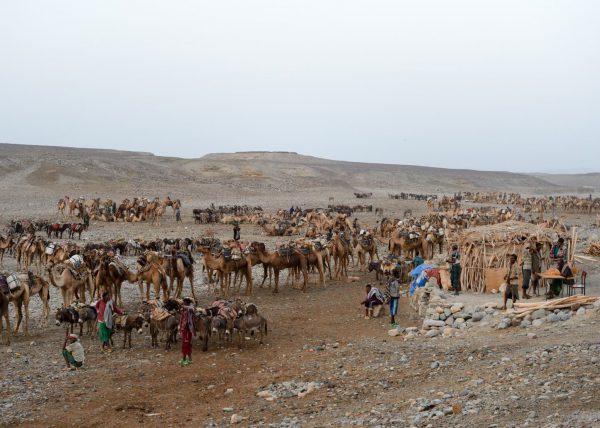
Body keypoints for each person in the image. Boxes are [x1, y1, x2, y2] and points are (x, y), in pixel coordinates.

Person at [178, 297, 197, 365]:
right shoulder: (183, 310)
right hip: (184, 329)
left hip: (188, 329)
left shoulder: (190, 309)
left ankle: (184, 359)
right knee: (186, 344)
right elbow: (181, 319)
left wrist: (185, 306)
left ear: (187, 303)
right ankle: (189, 359)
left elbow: (192, 308)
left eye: (184, 302)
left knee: (186, 344)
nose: (183, 303)